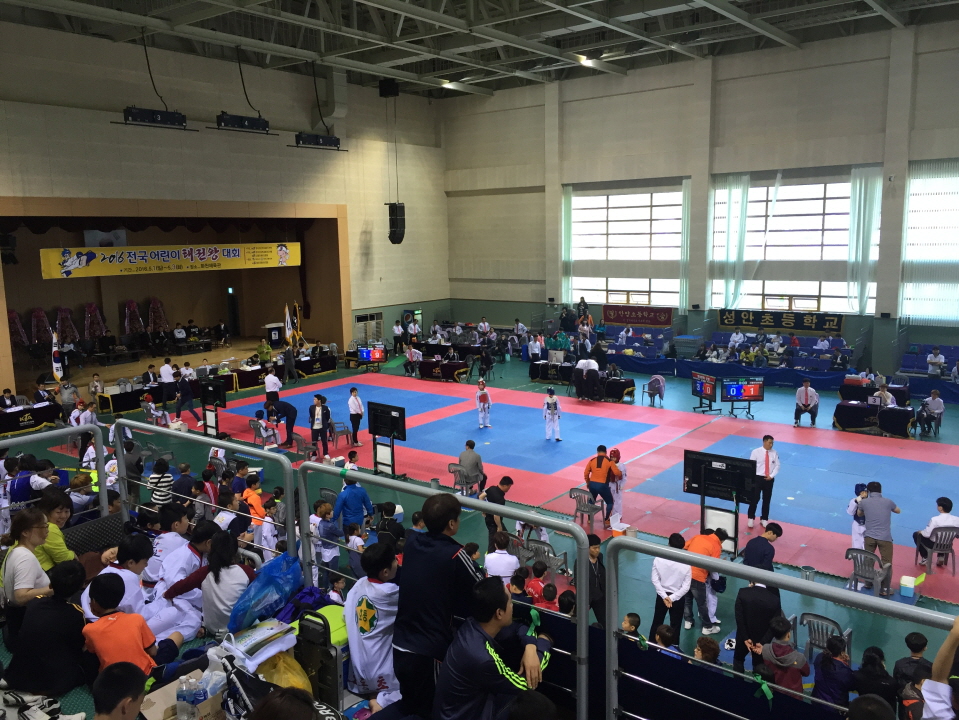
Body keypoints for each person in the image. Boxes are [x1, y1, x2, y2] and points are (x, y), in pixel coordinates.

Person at [392, 494, 485, 719]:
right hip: (428, 651)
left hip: (400, 643)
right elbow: (481, 585)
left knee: (410, 705)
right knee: (432, 709)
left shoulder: (412, 541)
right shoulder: (455, 554)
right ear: (452, 524)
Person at [433, 577, 551, 720]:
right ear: (499, 613)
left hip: (454, 710)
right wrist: (545, 641)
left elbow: (519, 626)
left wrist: (530, 647)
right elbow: (526, 682)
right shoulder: (482, 659)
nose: (512, 606)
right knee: (534, 704)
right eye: (510, 602)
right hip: (466, 715)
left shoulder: (472, 625)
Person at [5, 559, 96, 696]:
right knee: (84, 666)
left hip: (17, 674)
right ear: (80, 587)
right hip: (48, 684)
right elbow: (77, 647)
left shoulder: (35, 602)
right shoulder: (77, 614)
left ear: (50, 584)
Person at [83, 573, 184, 677]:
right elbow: (153, 652)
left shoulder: (89, 630)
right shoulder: (136, 619)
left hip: (113, 681)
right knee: (177, 635)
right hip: (146, 676)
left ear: (93, 601)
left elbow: (92, 651)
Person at [162, 531, 255, 640]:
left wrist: (166, 594)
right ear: (235, 550)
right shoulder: (246, 571)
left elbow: (180, 587)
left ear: (211, 548)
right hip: (238, 629)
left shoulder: (204, 572)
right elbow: (260, 592)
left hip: (212, 628)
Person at [345, 542, 400, 709]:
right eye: (394, 560)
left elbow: (346, 610)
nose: (397, 562)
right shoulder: (390, 593)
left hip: (359, 667)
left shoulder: (360, 583)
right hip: (381, 668)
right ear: (385, 572)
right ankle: (380, 701)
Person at [0, 506, 52, 645]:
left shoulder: (16, 551)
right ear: (25, 532)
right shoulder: (25, 558)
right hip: (26, 623)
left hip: (19, 621)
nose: (47, 530)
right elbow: (21, 597)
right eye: (43, 527)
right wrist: (54, 588)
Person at [858, 481, 901, 596]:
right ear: (881, 490)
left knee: (868, 559)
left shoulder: (864, 502)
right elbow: (898, 511)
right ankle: (884, 588)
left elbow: (859, 514)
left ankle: (868, 583)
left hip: (869, 536)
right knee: (886, 563)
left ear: (868, 491)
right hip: (885, 537)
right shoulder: (888, 502)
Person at [683, 528, 726, 636]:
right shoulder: (716, 546)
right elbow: (713, 566)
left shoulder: (698, 537)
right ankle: (707, 627)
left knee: (687, 599)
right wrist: (716, 579)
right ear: (722, 540)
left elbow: (685, 546)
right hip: (698, 576)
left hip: (685, 573)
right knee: (702, 603)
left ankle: (688, 621)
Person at [733, 579, 781, 674]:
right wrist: (763, 642)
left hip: (743, 637)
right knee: (759, 666)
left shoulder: (743, 593)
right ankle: (756, 683)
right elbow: (774, 624)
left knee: (738, 660)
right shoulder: (774, 599)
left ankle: (737, 681)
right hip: (761, 640)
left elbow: (739, 618)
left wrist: (745, 638)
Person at [649, 533, 691, 643]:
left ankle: (652, 645)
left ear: (669, 544)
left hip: (662, 596)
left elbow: (655, 580)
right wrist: (672, 598)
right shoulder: (686, 563)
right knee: (675, 625)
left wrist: (665, 597)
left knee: (657, 622)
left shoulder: (659, 559)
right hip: (678, 598)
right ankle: (674, 648)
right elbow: (686, 587)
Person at [754, 615, 809, 693]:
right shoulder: (800, 658)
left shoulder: (765, 649)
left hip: (773, 691)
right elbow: (806, 673)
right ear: (788, 634)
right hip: (794, 695)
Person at [34, 487, 76, 571]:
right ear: (46, 511)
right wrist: (73, 554)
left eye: (67, 511)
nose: (63, 516)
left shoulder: (34, 522)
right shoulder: (49, 528)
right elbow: (64, 560)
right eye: (59, 512)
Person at [571, 533, 607, 627]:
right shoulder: (580, 562)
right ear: (587, 548)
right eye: (594, 548)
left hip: (599, 596)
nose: (597, 550)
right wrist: (583, 598)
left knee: (604, 621)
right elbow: (578, 582)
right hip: (586, 596)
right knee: (577, 620)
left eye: (598, 547)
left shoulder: (600, 557)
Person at [913, 496, 959, 567]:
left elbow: (927, 534)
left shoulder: (934, 520)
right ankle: (941, 556)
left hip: (933, 545)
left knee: (916, 535)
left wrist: (921, 532)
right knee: (944, 538)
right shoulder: (957, 520)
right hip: (948, 545)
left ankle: (925, 557)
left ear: (940, 508)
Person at [583, 445, 620, 530]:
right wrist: (620, 473)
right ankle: (606, 519)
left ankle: (589, 519)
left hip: (592, 484)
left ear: (597, 452)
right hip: (603, 485)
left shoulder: (592, 460)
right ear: (606, 452)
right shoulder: (609, 461)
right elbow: (616, 473)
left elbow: (586, 473)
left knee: (591, 501)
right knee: (610, 502)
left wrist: (588, 482)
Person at [812, 635, 855, 707]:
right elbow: (851, 686)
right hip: (835, 707)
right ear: (842, 652)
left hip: (817, 700)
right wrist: (844, 663)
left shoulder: (819, 657)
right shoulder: (843, 671)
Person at [748, 435, 780, 528]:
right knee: (754, 498)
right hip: (757, 478)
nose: (771, 445)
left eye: (772, 443)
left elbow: (777, 466)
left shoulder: (774, 453)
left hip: (769, 479)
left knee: (767, 499)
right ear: (764, 442)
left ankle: (764, 518)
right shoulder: (756, 452)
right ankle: (751, 517)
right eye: (769, 442)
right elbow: (751, 466)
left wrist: (771, 476)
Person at [894, 632, 932, 697]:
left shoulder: (899, 664)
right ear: (925, 648)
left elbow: (895, 682)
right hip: (920, 700)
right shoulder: (929, 667)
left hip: (903, 698)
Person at [309, 394, 332, 459]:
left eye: (315, 399)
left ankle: (325, 453)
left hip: (322, 427)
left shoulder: (325, 408)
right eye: (314, 399)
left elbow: (327, 417)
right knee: (314, 441)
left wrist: (324, 423)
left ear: (319, 401)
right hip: (314, 427)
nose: (314, 400)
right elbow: (311, 416)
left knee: (324, 441)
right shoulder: (311, 407)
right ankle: (314, 454)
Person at [848, 483, 869, 550]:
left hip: (868, 526)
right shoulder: (853, 501)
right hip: (857, 525)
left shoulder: (870, 502)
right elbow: (850, 512)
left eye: (866, 492)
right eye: (863, 492)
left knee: (867, 547)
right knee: (857, 546)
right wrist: (856, 502)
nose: (865, 494)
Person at [608, 448, 626, 524]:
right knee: (611, 501)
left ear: (618, 457)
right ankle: (612, 514)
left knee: (618, 501)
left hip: (617, 486)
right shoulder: (609, 464)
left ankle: (618, 514)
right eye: (611, 457)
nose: (613, 459)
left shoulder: (621, 466)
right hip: (610, 485)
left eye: (614, 458)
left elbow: (624, 477)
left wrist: (621, 485)